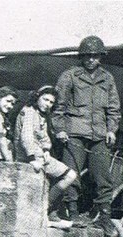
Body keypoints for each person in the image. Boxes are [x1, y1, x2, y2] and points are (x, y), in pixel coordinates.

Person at [52, 35, 121, 234]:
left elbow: (114, 108)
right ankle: (72, 213)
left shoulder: (107, 78)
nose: (91, 59)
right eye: (87, 56)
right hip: (74, 133)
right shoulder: (70, 76)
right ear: (81, 57)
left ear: (101, 57)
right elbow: (59, 106)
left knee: (103, 177)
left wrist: (111, 129)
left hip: (99, 134)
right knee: (72, 175)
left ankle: (104, 217)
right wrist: (60, 129)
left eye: (95, 56)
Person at [15, 86, 78, 227]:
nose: (47, 104)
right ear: (37, 97)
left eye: (51, 102)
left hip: (38, 153)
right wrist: (32, 159)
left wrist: (46, 150)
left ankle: (51, 213)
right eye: (45, 99)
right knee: (70, 175)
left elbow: (43, 136)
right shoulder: (29, 112)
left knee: (66, 175)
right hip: (29, 155)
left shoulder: (41, 114)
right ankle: (45, 209)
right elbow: (26, 137)